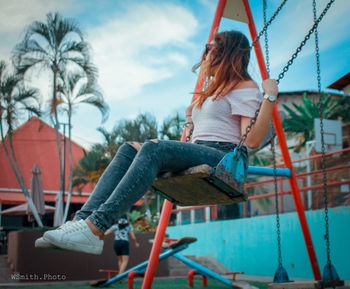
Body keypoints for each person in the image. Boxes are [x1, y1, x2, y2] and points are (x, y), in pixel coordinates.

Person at [35, 30, 278, 255]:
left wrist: (269, 97)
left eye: (211, 50)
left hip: (224, 157)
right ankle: (81, 223)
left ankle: (95, 227)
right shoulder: (214, 90)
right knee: (129, 148)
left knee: (153, 148)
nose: (206, 56)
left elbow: (253, 139)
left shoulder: (246, 87)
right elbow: (193, 141)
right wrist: (191, 119)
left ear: (227, 54)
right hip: (203, 149)